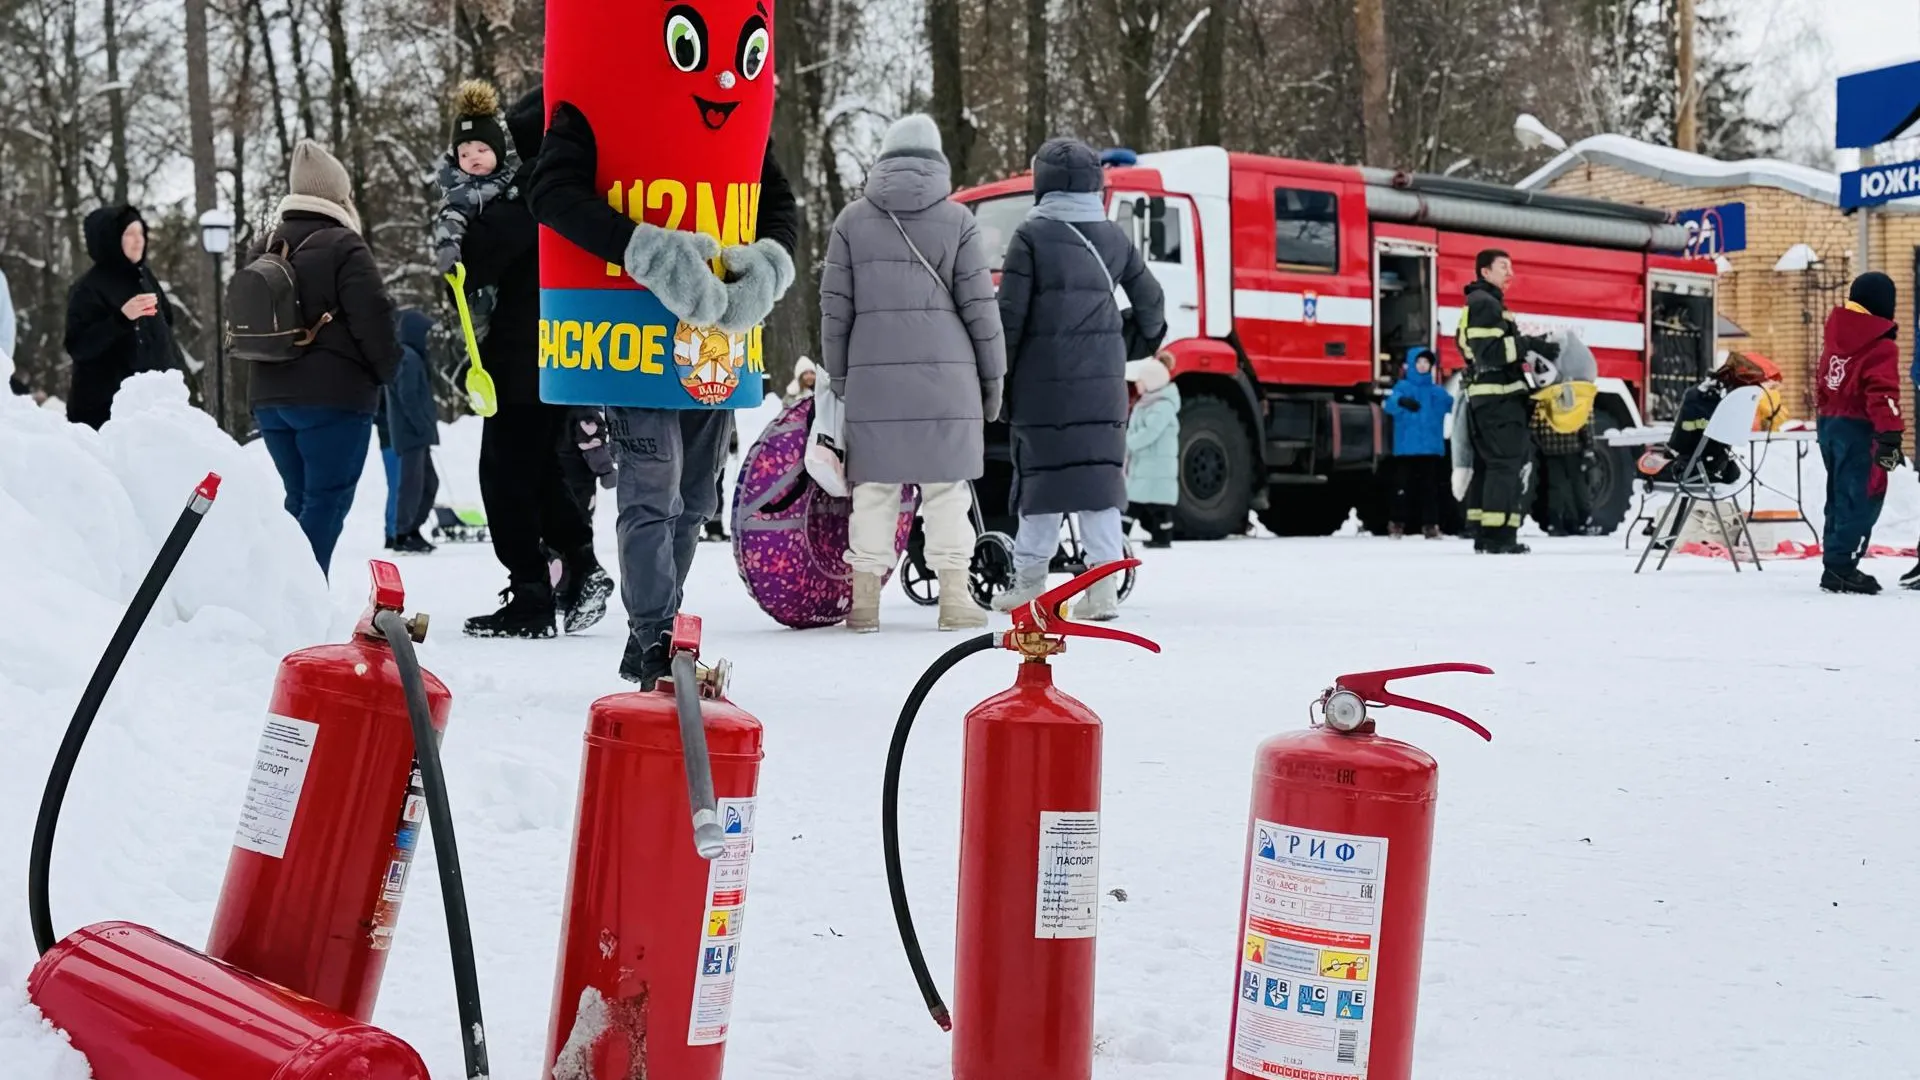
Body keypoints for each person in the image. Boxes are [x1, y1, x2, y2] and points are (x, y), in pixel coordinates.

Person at [530, 102, 798, 685]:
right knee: (654, 489)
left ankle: (654, 633)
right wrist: (645, 250)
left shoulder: (731, 113)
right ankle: (655, 637)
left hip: (715, 338)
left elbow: (774, 198)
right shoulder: (597, 101)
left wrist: (768, 265)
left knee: (697, 495)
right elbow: (549, 191)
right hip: (630, 331)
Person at [819, 114, 1007, 633]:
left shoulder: (851, 221)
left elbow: (835, 310)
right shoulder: (959, 221)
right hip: (947, 379)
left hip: (873, 378)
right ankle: (954, 597)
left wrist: (840, 378)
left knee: (875, 489)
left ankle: (864, 604)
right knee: (947, 488)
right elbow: (981, 313)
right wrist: (993, 383)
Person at [455, 86, 614, 639]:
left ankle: (532, 592)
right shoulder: (567, 189)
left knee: (504, 476)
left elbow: (476, 260)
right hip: (552, 349)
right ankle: (578, 562)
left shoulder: (528, 195)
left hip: (521, 353)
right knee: (538, 468)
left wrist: (459, 223)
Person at [992, 138, 1166, 620]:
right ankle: (1102, 590)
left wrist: (997, 381)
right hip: (1102, 379)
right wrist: (1123, 344)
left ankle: (1029, 586)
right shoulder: (1113, 237)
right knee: (1097, 483)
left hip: (1039, 382)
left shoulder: (1030, 237)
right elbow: (1152, 304)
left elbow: (1009, 319)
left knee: (1041, 484)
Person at [248, 140, 398, 576]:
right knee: (326, 504)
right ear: (337, 194)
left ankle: (282, 598)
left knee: (298, 503)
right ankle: (301, 604)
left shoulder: (264, 246)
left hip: (271, 400)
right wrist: (386, 373)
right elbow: (374, 317)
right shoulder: (344, 245)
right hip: (333, 401)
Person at [1459, 249, 1556, 555]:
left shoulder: (1479, 304)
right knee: (1506, 465)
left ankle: (1484, 534)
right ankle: (1500, 538)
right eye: (1503, 267)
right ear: (1484, 272)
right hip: (1499, 399)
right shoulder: (1485, 304)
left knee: (1490, 466)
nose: (1509, 273)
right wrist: (1531, 344)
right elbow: (1490, 352)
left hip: (1487, 398)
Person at [1816, 272, 1904, 595]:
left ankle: (1834, 561)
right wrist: (1890, 436)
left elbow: (1822, 381)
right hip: (1861, 429)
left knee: (1838, 496)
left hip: (1830, 425)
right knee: (1862, 496)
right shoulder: (1880, 346)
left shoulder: (1836, 337)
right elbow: (1884, 395)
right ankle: (1843, 567)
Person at [64, 206, 178, 428]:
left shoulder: (146, 278)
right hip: (105, 413)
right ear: (111, 240)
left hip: (154, 405)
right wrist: (121, 319)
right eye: (129, 234)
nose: (139, 241)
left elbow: (166, 324)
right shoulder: (87, 288)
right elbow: (79, 346)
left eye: (141, 233)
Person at [1382, 347, 1452, 539]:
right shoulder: (1402, 388)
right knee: (1402, 487)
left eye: (1426, 363)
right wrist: (1400, 402)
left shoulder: (1437, 392)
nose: (1423, 366)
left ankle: (1430, 525)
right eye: (1419, 362)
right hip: (1406, 448)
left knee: (1430, 489)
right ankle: (1396, 524)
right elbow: (1389, 405)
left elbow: (1453, 404)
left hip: (1429, 449)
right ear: (1411, 365)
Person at [387, 308, 441, 554]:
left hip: (418, 435)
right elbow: (407, 396)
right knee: (411, 486)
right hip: (411, 435)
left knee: (429, 483)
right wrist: (422, 425)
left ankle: (413, 529)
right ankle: (402, 534)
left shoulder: (414, 356)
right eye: (425, 332)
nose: (428, 338)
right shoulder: (407, 358)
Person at [1124, 352, 1181, 549]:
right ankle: (1160, 536)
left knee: (1136, 505)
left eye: (1140, 380)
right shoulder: (1149, 403)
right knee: (1149, 505)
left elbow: (1150, 432)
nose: (1137, 383)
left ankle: (1122, 537)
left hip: (1155, 467)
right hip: (1147, 466)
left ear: (1152, 382)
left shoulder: (1161, 407)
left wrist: (1129, 442)